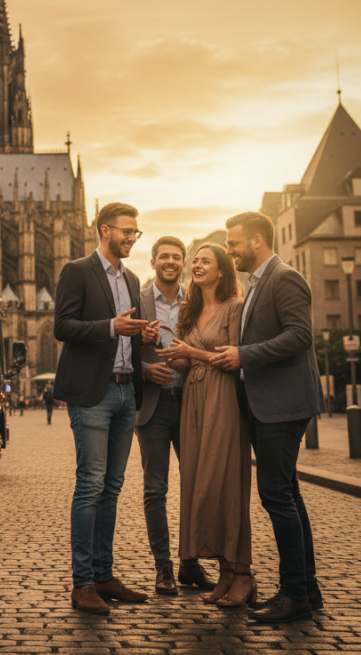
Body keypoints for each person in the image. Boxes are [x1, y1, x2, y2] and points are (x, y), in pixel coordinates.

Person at [210, 212, 327, 623]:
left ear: (257, 241)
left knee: (277, 496)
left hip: (282, 404)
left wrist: (244, 355)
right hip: (268, 404)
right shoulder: (258, 282)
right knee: (288, 494)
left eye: (233, 243)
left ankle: (293, 593)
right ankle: (306, 589)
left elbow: (300, 336)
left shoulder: (284, 277)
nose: (229, 250)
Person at [53, 202, 151, 615]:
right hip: (94, 393)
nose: (132, 238)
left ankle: (105, 575)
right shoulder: (77, 270)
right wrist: (111, 326)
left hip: (127, 391)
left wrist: (147, 334)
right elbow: (63, 326)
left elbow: (132, 334)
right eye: (127, 231)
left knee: (111, 488)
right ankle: (83, 584)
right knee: (91, 486)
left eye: (136, 233)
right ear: (105, 230)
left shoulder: (131, 278)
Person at [157, 243, 254, 608]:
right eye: (194, 261)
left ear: (221, 270)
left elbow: (231, 358)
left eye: (204, 261)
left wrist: (191, 353)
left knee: (226, 483)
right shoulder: (189, 308)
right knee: (200, 487)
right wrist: (167, 351)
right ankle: (226, 574)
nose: (196, 265)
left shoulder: (234, 307)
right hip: (194, 403)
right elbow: (184, 365)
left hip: (223, 399)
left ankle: (243, 573)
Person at [135, 236, 215, 596]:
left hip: (191, 402)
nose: (170, 262)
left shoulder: (197, 301)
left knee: (196, 487)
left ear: (183, 265)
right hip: (153, 406)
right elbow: (115, 350)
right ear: (152, 262)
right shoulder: (135, 301)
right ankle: (163, 568)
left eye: (176, 257)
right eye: (163, 256)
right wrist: (143, 370)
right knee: (156, 489)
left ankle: (190, 564)